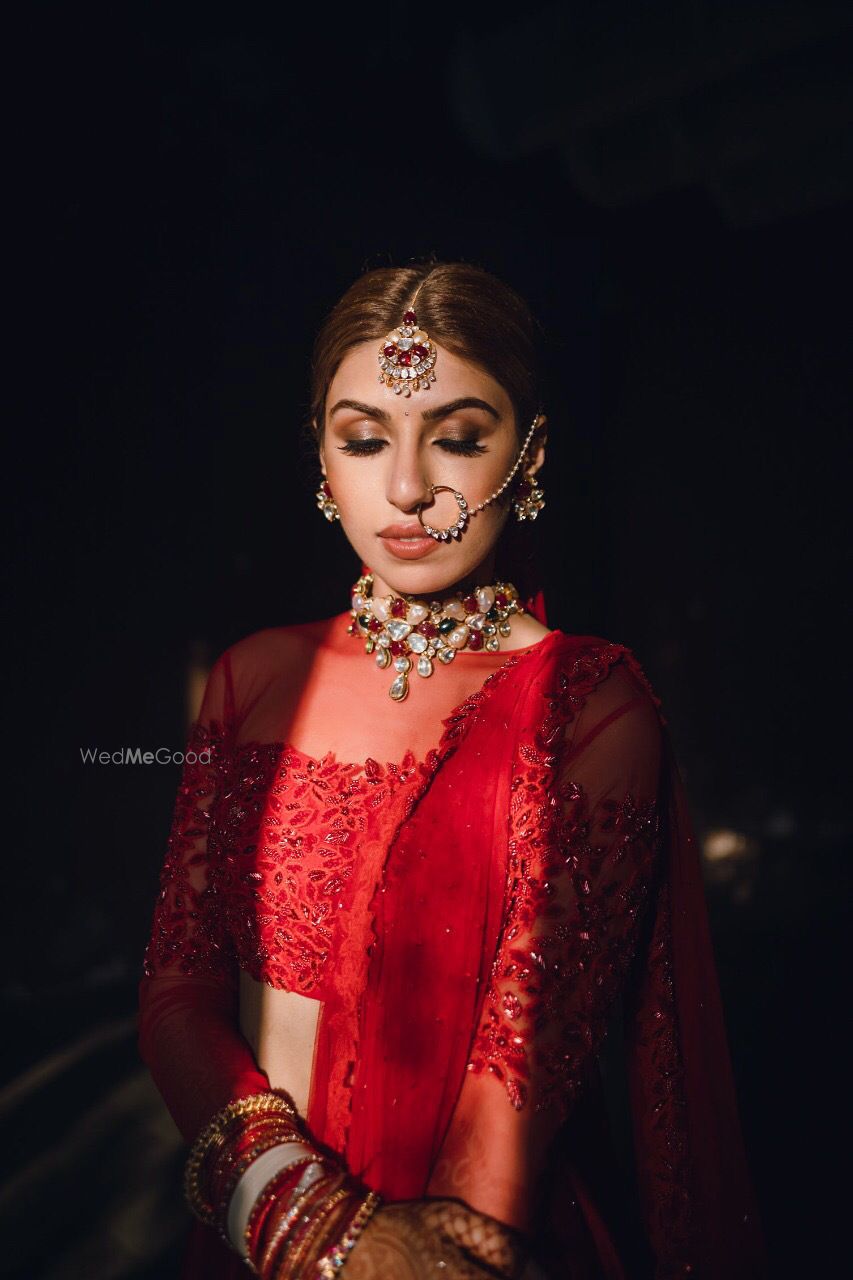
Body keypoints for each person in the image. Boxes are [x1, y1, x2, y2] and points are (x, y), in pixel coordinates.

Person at [137, 261, 767, 1279]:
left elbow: (517, 1079)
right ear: (320, 453)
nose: (406, 486)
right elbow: (177, 996)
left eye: (459, 437)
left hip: (470, 1244)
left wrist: (408, 1255)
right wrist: (306, 1224)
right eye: (364, 437)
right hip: (257, 1237)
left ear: (531, 451)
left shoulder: (588, 705)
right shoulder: (251, 679)